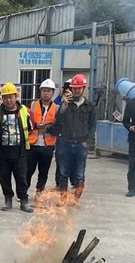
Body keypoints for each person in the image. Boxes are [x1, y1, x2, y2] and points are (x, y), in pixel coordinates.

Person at [47, 74, 96, 206]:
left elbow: (92, 126)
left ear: (83, 89)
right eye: (74, 88)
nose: (76, 91)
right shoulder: (65, 105)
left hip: (81, 144)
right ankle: (63, 200)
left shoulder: (89, 106)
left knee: (79, 175)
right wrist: (63, 106)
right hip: (65, 144)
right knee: (63, 173)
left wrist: (88, 142)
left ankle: (74, 200)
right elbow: (57, 123)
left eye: (79, 88)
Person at [0, 82, 34, 213]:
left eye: (11, 97)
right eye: (5, 97)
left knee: (21, 178)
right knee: (4, 177)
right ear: (2, 98)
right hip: (3, 153)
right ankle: (8, 200)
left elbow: (32, 128)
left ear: (16, 96)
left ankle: (24, 201)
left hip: (20, 152)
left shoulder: (24, 111)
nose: (8, 100)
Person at [25, 79, 58, 204]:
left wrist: (47, 127)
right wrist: (36, 126)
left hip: (47, 145)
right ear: (40, 92)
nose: (46, 93)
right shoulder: (33, 105)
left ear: (52, 93)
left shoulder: (57, 108)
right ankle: (24, 191)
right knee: (28, 170)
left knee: (43, 172)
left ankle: (39, 193)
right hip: (33, 144)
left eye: (48, 91)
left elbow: (58, 126)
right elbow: (27, 122)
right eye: (44, 90)